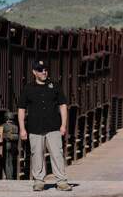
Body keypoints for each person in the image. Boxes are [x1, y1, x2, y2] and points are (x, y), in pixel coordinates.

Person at [18, 60, 72, 191]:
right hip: (35, 128)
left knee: (57, 154)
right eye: (40, 70)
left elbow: (63, 105)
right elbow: (21, 108)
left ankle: (61, 181)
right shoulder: (28, 88)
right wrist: (22, 129)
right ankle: (39, 181)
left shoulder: (55, 85)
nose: (44, 72)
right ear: (34, 72)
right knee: (36, 154)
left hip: (53, 126)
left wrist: (63, 125)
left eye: (45, 69)